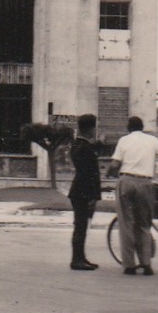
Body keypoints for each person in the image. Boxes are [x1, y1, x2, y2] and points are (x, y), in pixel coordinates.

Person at [109, 115, 158, 276]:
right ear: (142, 127)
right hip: (146, 183)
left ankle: (129, 265)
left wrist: (110, 173)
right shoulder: (153, 140)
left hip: (127, 181)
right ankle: (146, 264)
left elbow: (115, 164)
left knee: (127, 223)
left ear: (129, 128)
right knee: (144, 224)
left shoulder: (124, 140)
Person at [67, 115, 103, 271]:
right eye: (95, 127)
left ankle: (80, 257)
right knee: (81, 226)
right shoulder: (85, 148)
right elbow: (90, 174)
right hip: (83, 192)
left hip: (78, 191)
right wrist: (93, 196)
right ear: (91, 129)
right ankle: (77, 260)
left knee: (81, 226)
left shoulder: (78, 145)